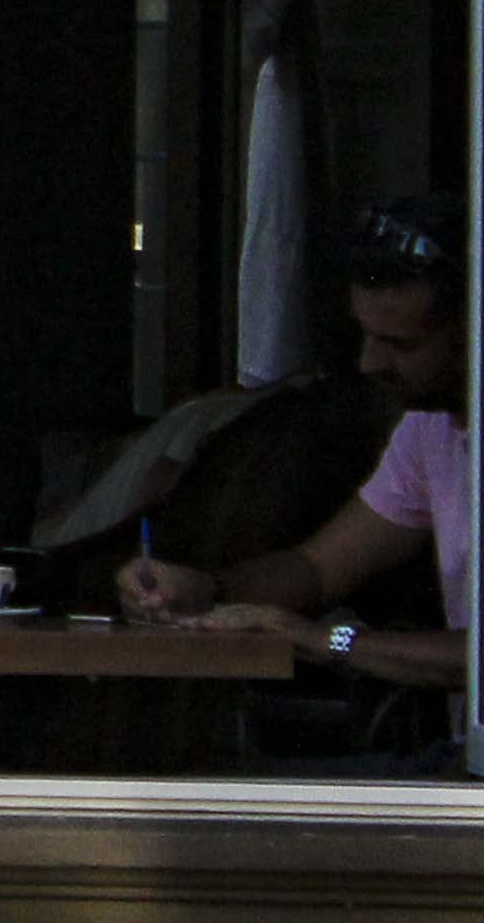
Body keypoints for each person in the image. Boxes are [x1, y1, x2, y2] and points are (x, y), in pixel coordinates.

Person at [120, 199, 474, 693]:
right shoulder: (428, 430)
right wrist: (205, 590)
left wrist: (328, 640)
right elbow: (316, 570)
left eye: (400, 344)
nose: (370, 364)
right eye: (366, 337)